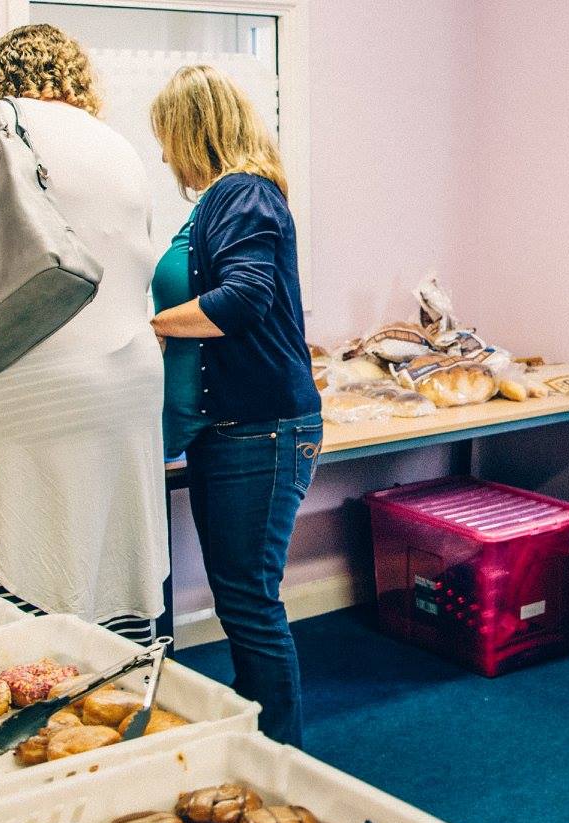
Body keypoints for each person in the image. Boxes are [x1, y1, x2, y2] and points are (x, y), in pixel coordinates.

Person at [0, 23, 166, 641]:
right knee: (109, 563)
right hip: (125, 388)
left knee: (9, 600)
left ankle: (34, 705)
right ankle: (119, 703)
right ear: (79, 80)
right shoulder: (119, 148)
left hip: (9, 390)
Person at [147, 65, 320, 747]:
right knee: (240, 596)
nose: (163, 155)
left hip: (262, 430)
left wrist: (150, 328)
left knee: (249, 599)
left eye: (166, 137)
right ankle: (259, 743)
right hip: (231, 430)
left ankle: (282, 758)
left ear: (194, 132)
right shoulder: (219, 203)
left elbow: (242, 300)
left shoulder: (244, 195)